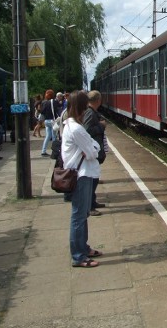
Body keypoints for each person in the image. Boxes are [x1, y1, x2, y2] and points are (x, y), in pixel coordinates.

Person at [62, 90, 102, 268]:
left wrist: (91, 148)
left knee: (82, 214)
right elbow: (94, 150)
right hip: (81, 175)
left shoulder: (70, 125)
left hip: (81, 173)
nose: (87, 109)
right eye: (85, 106)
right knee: (79, 216)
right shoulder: (77, 129)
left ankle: (83, 248)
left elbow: (91, 148)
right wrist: (93, 148)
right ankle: (78, 256)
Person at [82, 90, 107, 215]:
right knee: (92, 179)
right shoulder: (90, 113)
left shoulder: (91, 112)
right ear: (98, 100)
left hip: (94, 150)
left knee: (94, 178)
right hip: (92, 150)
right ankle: (90, 207)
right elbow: (87, 131)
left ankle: (93, 202)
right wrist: (101, 126)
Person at [40, 89, 59, 156]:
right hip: (52, 121)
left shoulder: (44, 102)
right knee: (54, 136)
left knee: (47, 136)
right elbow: (57, 110)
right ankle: (54, 151)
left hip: (46, 121)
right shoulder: (54, 102)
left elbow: (42, 111)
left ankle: (43, 151)